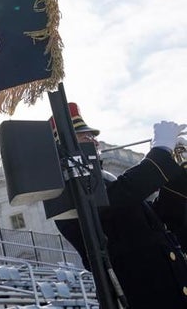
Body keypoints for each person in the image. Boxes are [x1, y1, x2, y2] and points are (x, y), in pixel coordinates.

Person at [53, 105, 187, 307]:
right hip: (141, 295)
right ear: (64, 147)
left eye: (93, 137)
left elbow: (161, 219)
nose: (95, 142)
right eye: (85, 138)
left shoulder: (105, 181)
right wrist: (160, 152)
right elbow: (119, 198)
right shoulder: (64, 191)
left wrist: (179, 172)